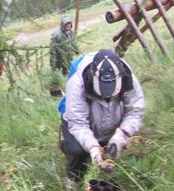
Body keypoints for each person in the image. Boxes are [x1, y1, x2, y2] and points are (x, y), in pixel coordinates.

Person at [59, 49, 145, 183]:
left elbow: (135, 111)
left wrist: (122, 134)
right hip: (82, 122)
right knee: (77, 151)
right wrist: (93, 147)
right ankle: (74, 179)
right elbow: (78, 123)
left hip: (113, 118)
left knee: (127, 147)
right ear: (93, 76)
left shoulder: (128, 78)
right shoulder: (77, 84)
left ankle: (116, 175)